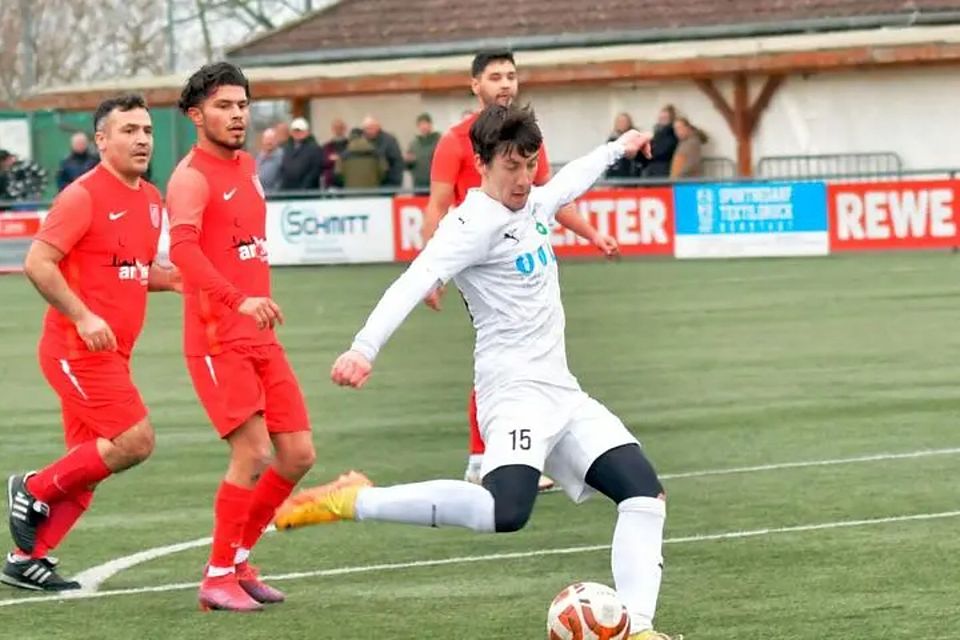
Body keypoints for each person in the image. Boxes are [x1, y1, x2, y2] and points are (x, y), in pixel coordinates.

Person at [274, 105, 678, 640]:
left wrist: (618, 146)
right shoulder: (469, 225)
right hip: (511, 395)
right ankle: (354, 498)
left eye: (529, 164)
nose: (523, 178)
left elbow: (570, 179)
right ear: (483, 163)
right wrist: (362, 349)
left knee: (644, 495)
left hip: (562, 392)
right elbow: (413, 280)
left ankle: (638, 629)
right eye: (511, 166)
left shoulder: (534, 199)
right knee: (505, 510)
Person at [3, 94, 180, 592]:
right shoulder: (82, 195)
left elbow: (134, 271)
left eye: (146, 130)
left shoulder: (149, 199)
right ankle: (31, 488)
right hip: (75, 350)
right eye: (128, 131)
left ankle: (24, 558)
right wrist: (82, 317)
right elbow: (38, 263)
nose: (142, 139)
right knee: (135, 441)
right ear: (102, 140)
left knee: (86, 467)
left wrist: (183, 280)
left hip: (111, 354)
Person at [423, 49, 619, 489]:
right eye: (495, 77)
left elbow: (546, 199)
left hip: (525, 261)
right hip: (483, 270)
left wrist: (591, 233)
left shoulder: (529, 137)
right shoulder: (455, 141)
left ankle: (517, 451)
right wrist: (431, 274)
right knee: (502, 357)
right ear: (475, 85)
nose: (505, 84)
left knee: (533, 360)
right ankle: (484, 458)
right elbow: (436, 206)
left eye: (511, 76)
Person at [167, 62, 316, 613]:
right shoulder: (189, 177)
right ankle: (216, 576)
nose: (236, 115)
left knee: (297, 453)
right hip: (216, 338)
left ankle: (238, 559)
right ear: (196, 115)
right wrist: (238, 299)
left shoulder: (250, 165)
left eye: (241, 105)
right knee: (253, 453)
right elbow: (182, 251)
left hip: (258, 336)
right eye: (224, 106)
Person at [404, 113, 441, 191]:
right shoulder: (413, 144)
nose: (423, 127)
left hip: (436, 184)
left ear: (430, 125)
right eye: (421, 125)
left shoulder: (439, 141)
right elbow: (408, 166)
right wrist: (408, 161)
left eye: (425, 124)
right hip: (418, 186)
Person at [255, 128, 283, 192]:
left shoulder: (282, 156)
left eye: (271, 139)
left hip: (275, 197)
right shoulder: (258, 157)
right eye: (267, 139)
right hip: (259, 195)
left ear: (276, 141)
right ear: (262, 141)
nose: (269, 142)